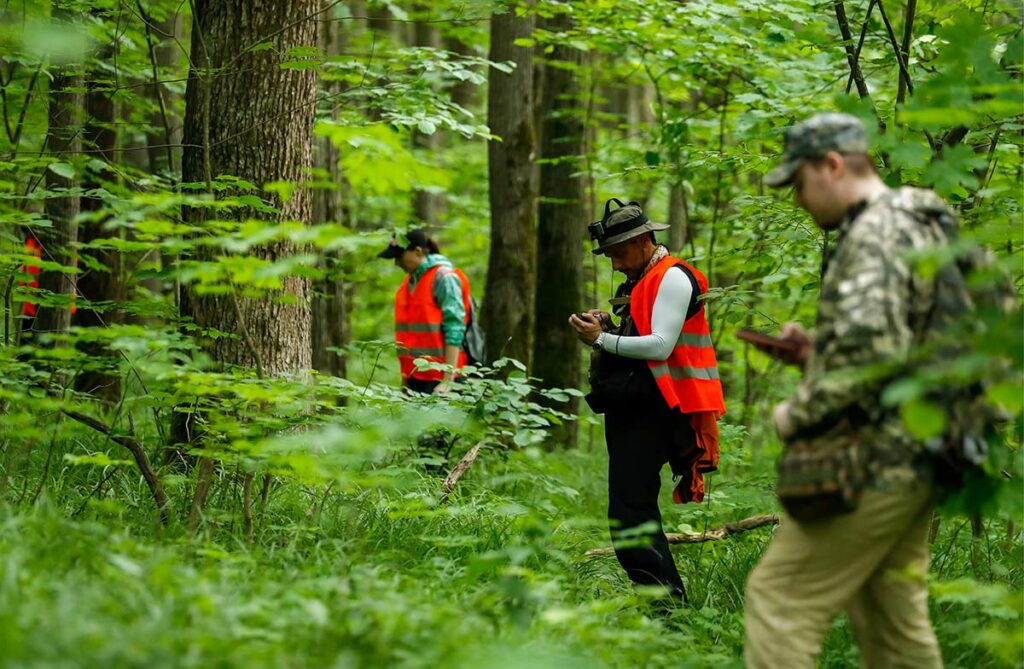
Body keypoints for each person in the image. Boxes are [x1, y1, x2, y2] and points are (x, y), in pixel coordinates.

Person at [743, 112, 947, 668]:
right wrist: (817, 351)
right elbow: (899, 340)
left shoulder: (874, 232)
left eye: (799, 185)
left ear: (831, 165)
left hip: (876, 454)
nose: (799, 203)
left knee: (779, 601)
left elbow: (871, 353)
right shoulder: (916, 219)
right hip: (925, 448)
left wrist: (796, 413)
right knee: (891, 619)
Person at [569, 198, 726, 604]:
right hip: (633, 407)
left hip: (659, 409)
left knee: (631, 512)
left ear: (643, 240)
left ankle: (667, 609)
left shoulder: (672, 278)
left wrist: (600, 339)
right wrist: (607, 323)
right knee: (628, 510)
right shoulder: (643, 278)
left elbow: (659, 346)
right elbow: (640, 332)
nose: (615, 264)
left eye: (618, 253)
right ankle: (662, 605)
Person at [378, 228, 472, 395]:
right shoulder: (408, 284)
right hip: (416, 379)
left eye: (399, 256)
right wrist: (405, 379)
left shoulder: (443, 278)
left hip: (441, 380)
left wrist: (447, 380)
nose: (397, 263)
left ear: (417, 252)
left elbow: (455, 329)